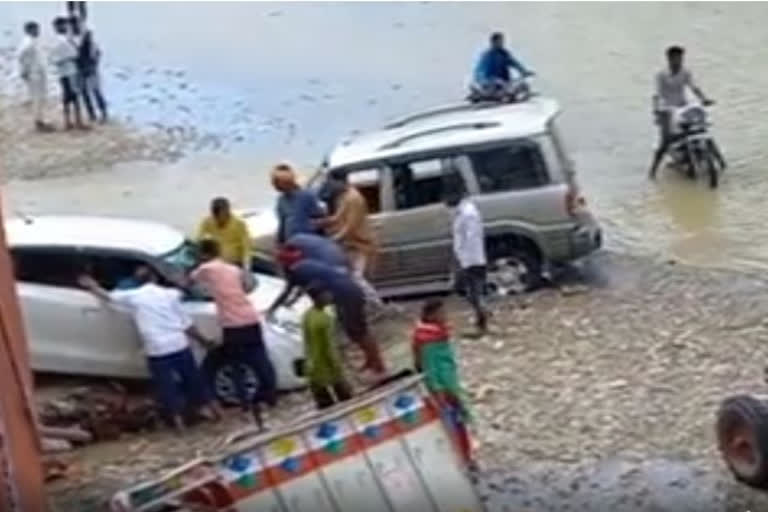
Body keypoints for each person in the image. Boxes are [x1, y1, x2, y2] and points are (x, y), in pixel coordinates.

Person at [77, 265, 221, 432]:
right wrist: (204, 341)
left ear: (136, 282)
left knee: (167, 387)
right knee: (194, 379)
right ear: (154, 278)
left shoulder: (134, 296)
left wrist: (92, 286)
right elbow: (187, 323)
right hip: (178, 344)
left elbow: (108, 297)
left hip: (157, 348)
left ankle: (179, 424)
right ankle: (216, 412)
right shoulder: (169, 295)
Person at [190, 239, 276, 428]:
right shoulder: (233, 269)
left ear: (204, 254)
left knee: (235, 364)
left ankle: (245, 403)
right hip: (251, 317)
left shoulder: (206, 269)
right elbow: (245, 285)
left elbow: (189, 281)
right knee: (260, 359)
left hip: (232, 325)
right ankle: (270, 396)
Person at [269, 246, 387, 380]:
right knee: (353, 331)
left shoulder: (296, 271)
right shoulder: (306, 265)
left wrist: (273, 309)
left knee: (359, 331)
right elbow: (303, 288)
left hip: (346, 295)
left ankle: (379, 366)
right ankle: (371, 360)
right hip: (350, 290)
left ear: (283, 264)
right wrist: (292, 301)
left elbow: (290, 291)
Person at [314, 170, 385, 316]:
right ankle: (369, 307)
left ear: (339, 181)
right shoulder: (345, 196)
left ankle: (377, 306)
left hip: (361, 244)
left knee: (357, 278)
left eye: (331, 182)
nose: (329, 185)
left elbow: (350, 227)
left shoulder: (354, 198)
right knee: (355, 278)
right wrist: (319, 223)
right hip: (351, 244)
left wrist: (333, 240)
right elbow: (337, 218)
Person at [411, 298, 473, 466]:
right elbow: (431, 368)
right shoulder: (429, 339)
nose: (445, 316)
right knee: (454, 426)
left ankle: (465, 459)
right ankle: (463, 460)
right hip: (444, 390)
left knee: (457, 426)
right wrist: (439, 392)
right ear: (431, 316)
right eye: (441, 313)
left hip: (448, 386)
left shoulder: (434, 335)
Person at [649, 46, 717, 179]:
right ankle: (653, 171)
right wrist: (656, 109)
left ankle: (717, 159)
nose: (678, 61)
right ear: (669, 59)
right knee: (666, 140)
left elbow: (694, 87)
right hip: (666, 108)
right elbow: (656, 94)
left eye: (680, 58)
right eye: (675, 58)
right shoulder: (661, 74)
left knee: (701, 128)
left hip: (682, 105)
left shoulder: (685, 72)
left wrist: (704, 99)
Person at [302, 283, 353, 410]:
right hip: (327, 364)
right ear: (319, 297)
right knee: (346, 400)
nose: (330, 296)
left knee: (324, 404)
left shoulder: (307, 315)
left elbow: (307, 339)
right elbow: (329, 347)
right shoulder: (325, 319)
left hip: (312, 365)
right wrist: (338, 367)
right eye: (327, 294)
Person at [446, 185, 488, 335]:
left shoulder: (468, 213)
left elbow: (472, 238)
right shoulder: (461, 212)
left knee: (472, 292)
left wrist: (466, 261)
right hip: (465, 258)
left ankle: (482, 321)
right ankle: (481, 318)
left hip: (471, 259)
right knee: (470, 292)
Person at [272, 163, 324, 246]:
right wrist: (279, 242)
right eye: (277, 184)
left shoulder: (307, 195)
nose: (280, 188)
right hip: (292, 243)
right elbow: (282, 224)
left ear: (290, 181)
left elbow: (319, 218)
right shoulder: (281, 200)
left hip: (310, 242)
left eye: (282, 184)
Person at [50, 16, 86, 130]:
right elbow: (56, 58)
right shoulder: (59, 41)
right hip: (67, 72)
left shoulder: (66, 39)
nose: (66, 27)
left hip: (68, 71)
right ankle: (73, 121)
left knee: (71, 96)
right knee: (71, 96)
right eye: (64, 25)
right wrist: (69, 57)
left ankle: (72, 121)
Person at [69, 15, 107, 123]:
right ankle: (92, 114)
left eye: (76, 24)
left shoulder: (87, 36)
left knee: (95, 91)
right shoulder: (72, 38)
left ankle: (103, 113)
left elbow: (97, 52)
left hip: (89, 68)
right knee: (85, 93)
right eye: (73, 25)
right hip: (80, 68)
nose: (74, 26)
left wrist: (94, 65)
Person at [17, 22, 54, 132]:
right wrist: (25, 71)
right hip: (34, 74)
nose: (38, 31)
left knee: (40, 97)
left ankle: (40, 119)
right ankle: (38, 121)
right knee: (38, 98)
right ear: (30, 30)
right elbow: (21, 57)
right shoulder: (28, 42)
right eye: (36, 29)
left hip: (37, 72)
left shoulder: (32, 41)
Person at [197, 197, 252, 270]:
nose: (217, 220)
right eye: (215, 216)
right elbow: (199, 239)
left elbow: (246, 247)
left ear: (227, 212)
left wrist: (246, 266)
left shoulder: (239, 224)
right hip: (216, 264)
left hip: (234, 264)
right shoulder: (207, 221)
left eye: (219, 216)